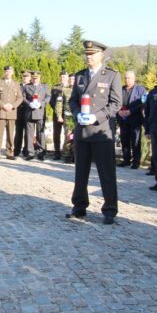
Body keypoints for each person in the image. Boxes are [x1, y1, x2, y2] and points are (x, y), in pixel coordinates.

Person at [65, 40, 122, 225]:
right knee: (81, 172)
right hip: (82, 130)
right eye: (86, 54)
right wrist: (77, 114)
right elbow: (73, 100)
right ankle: (79, 207)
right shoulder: (80, 76)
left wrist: (96, 117)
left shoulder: (111, 76)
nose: (88, 57)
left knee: (106, 173)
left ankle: (110, 210)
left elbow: (115, 104)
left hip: (101, 131)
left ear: (101, 55)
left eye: (92, 54)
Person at [0, 65, 23, 160]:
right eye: (6, 71)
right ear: (4, 72)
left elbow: (20, 98)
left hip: (12, 112)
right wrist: (3, 105)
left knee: (10, 134)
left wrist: (13, 105)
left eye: (9, 71)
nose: (8, 73)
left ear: (12, 73)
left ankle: (9, 153)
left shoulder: (16, 84)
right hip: (1, 111)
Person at [117, 70, 147, 169]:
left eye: (129, 78)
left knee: (135, 141)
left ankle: (136, 162)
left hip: (135, 118)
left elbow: (142, 103)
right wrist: (118, 111)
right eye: (125, 78)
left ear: (134, 79)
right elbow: (115, 101)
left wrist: (131, 111)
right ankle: (126, 160)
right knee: (124, 140)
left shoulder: (140, 89)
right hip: (122, 118)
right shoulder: (120, 89)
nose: (127, 80)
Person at [23, 71, 50, 161]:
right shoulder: (27, 86)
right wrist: (29, 103)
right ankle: (30, 153)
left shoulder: (44, 86)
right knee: (29, 134)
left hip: (40, 112)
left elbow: (48, 97)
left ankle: (40, 152)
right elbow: (23, 97)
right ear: (31, 78)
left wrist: (41, 103)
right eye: (33, 78)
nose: (35, 80)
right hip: (29, 112)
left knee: (40, 134)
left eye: (37, 78)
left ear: (39, 78)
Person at [50, 71, 70, 160]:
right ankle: (57, 152)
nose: (63, 79)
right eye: (61, 77)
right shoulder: (55, 87)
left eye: (64, 77)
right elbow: (51, 101)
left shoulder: (71, 87)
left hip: (68, 114)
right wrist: (57, 111)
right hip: (57, 114)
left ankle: (67, 152)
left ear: (67, 78)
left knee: (68, 134)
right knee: (56, 134)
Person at [58, 73, 76, 163]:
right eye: (70, 79)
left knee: (77, 137)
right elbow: (59, 104)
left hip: (78, 117)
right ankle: (67, 155)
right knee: (68, 136)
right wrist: (59, 115)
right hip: (68, 117)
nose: (72, 81)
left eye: (74, 79)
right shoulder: (64, 90)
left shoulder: (80, 90)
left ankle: (76, 155)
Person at [13, 70, 31, 157]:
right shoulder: (18, 86)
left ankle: (26, 151)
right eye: (24, 76)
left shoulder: (32, 86)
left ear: (30, 77)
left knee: (28, 133)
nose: (25, 78)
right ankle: (16, 150)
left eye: (27, 76)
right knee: (18, 132)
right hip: (19, 112)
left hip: (28, 112)